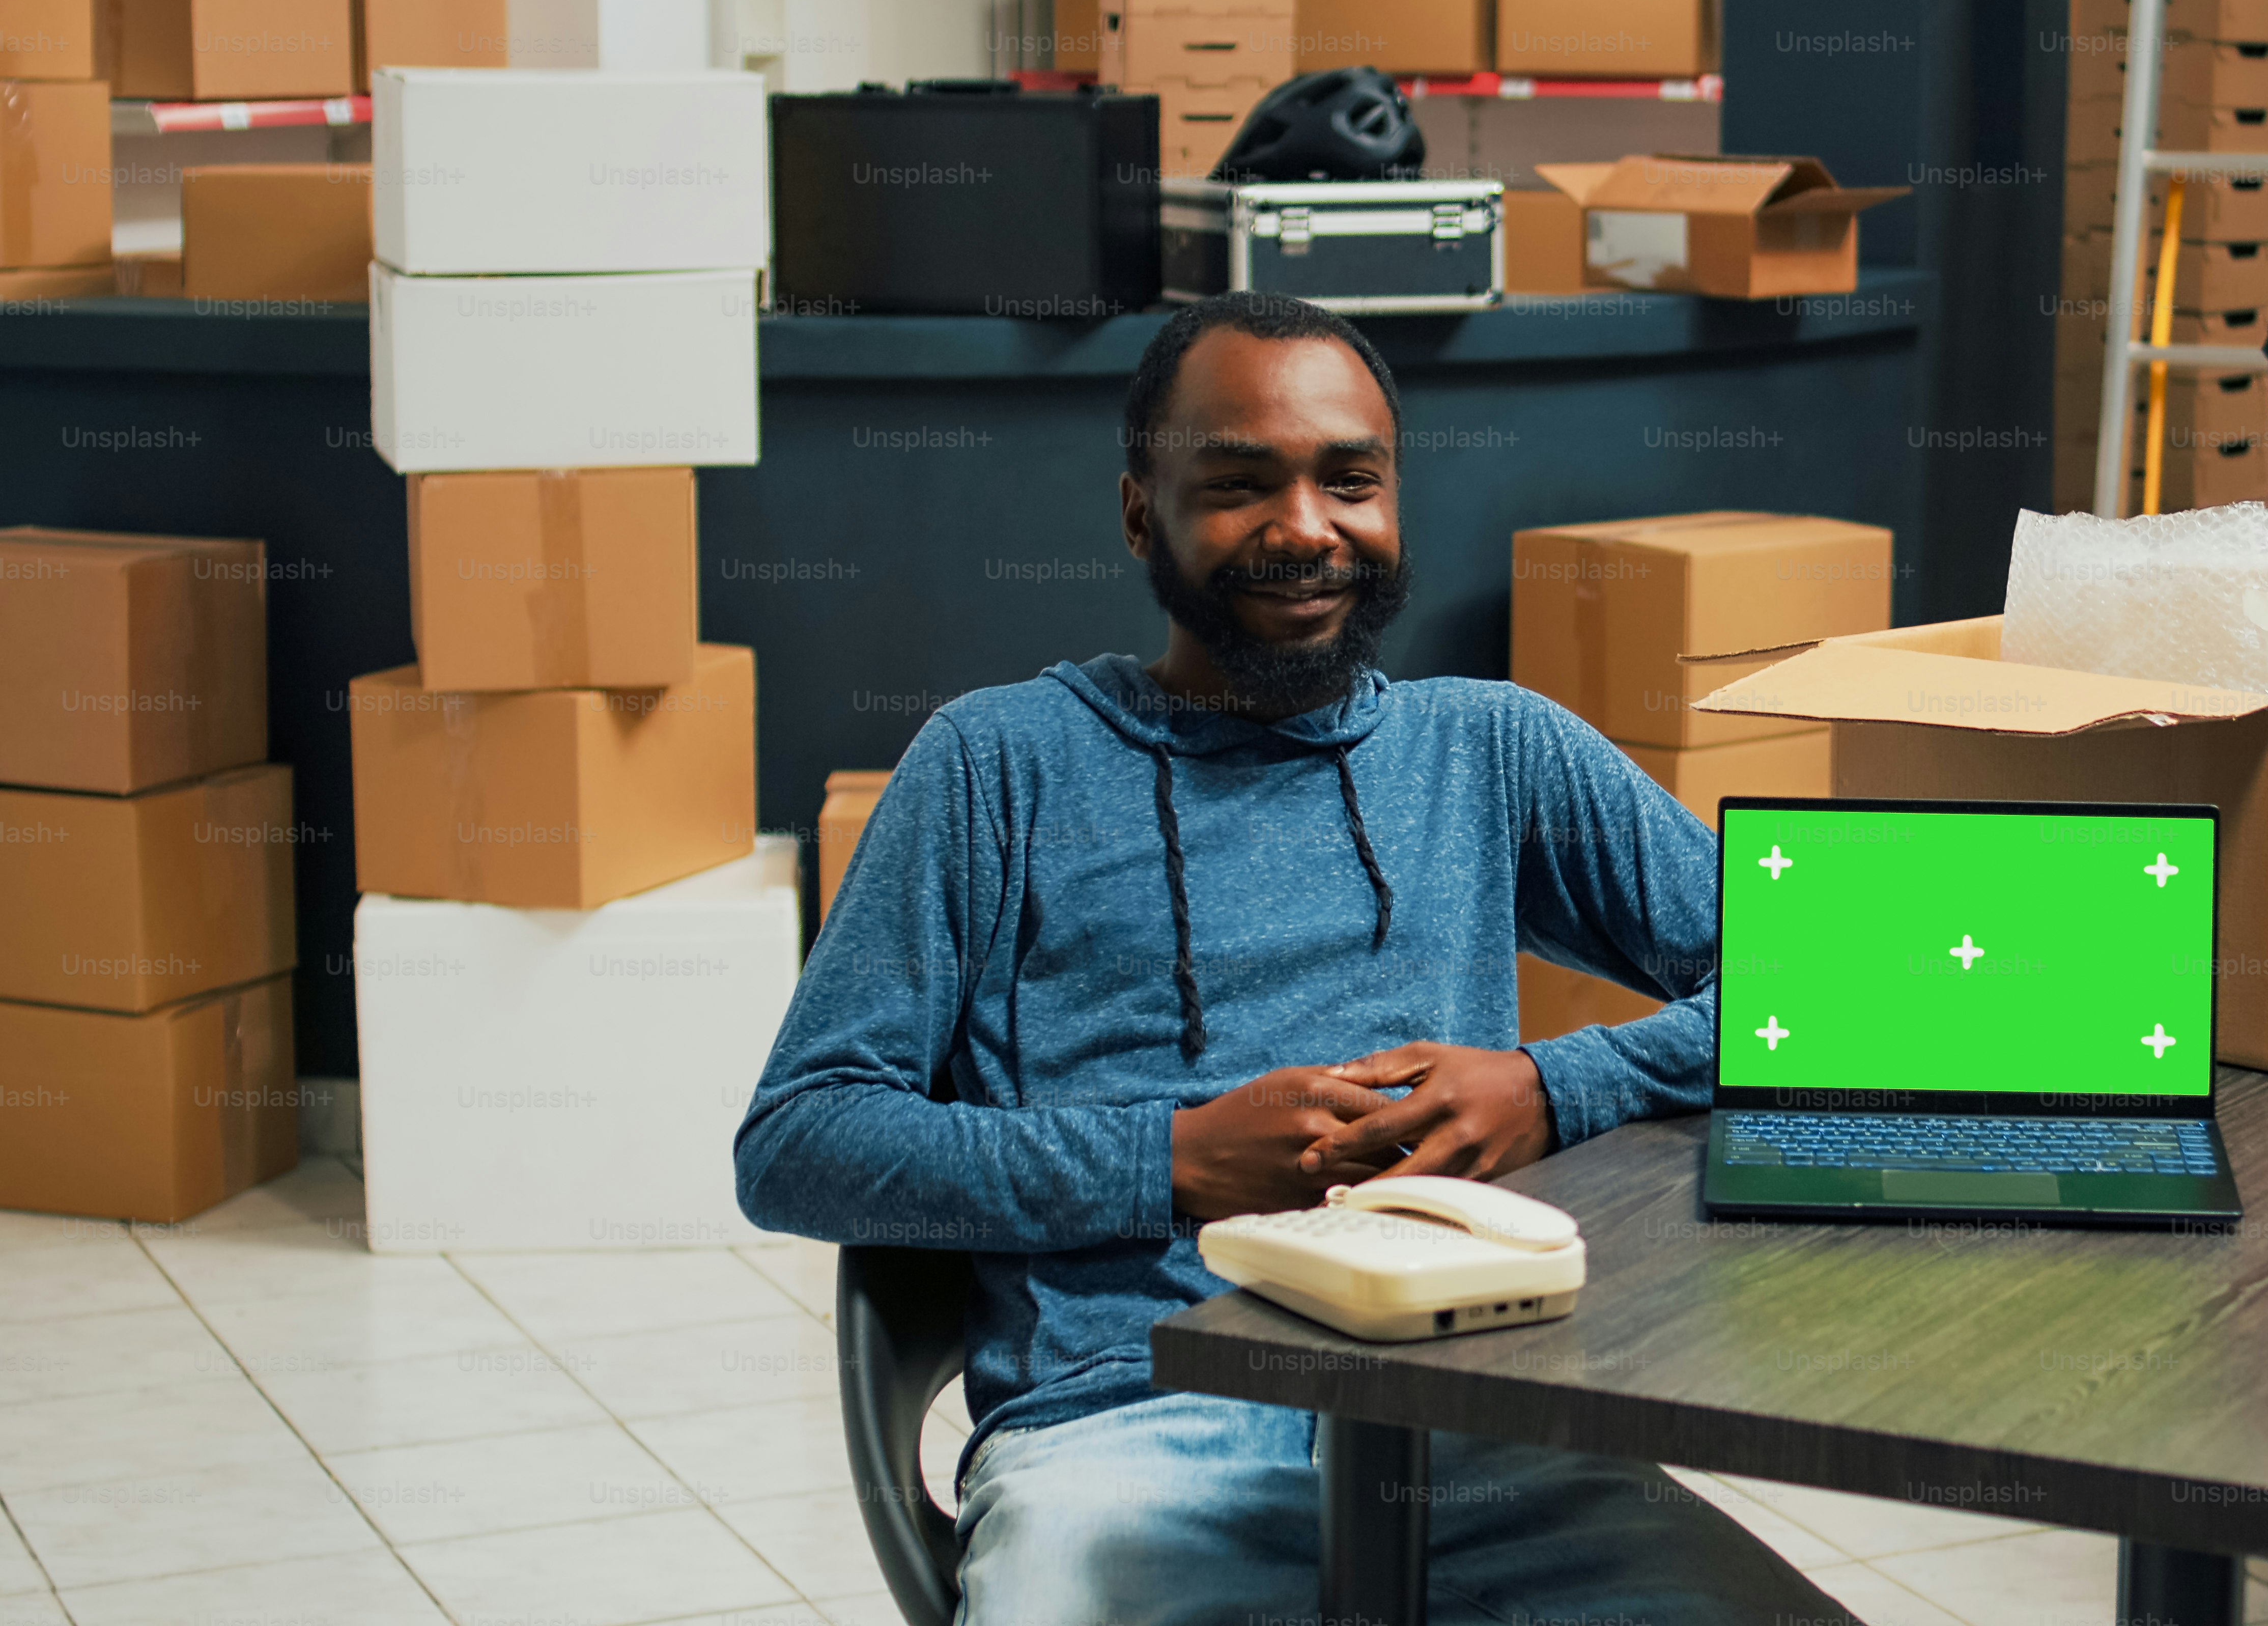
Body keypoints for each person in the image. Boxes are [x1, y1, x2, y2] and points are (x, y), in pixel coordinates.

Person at [733, 291, 1855, 1626]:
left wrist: (1563, 1088)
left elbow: (1836, 987)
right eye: (1241, 483)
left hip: (1485, 1432)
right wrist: (1170, 1160)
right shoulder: (996, 765)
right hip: (1132, 1443)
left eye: (1350, 479)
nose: (1306, 528)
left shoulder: (1492, 750)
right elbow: (799, 1144)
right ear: (1143, 511)